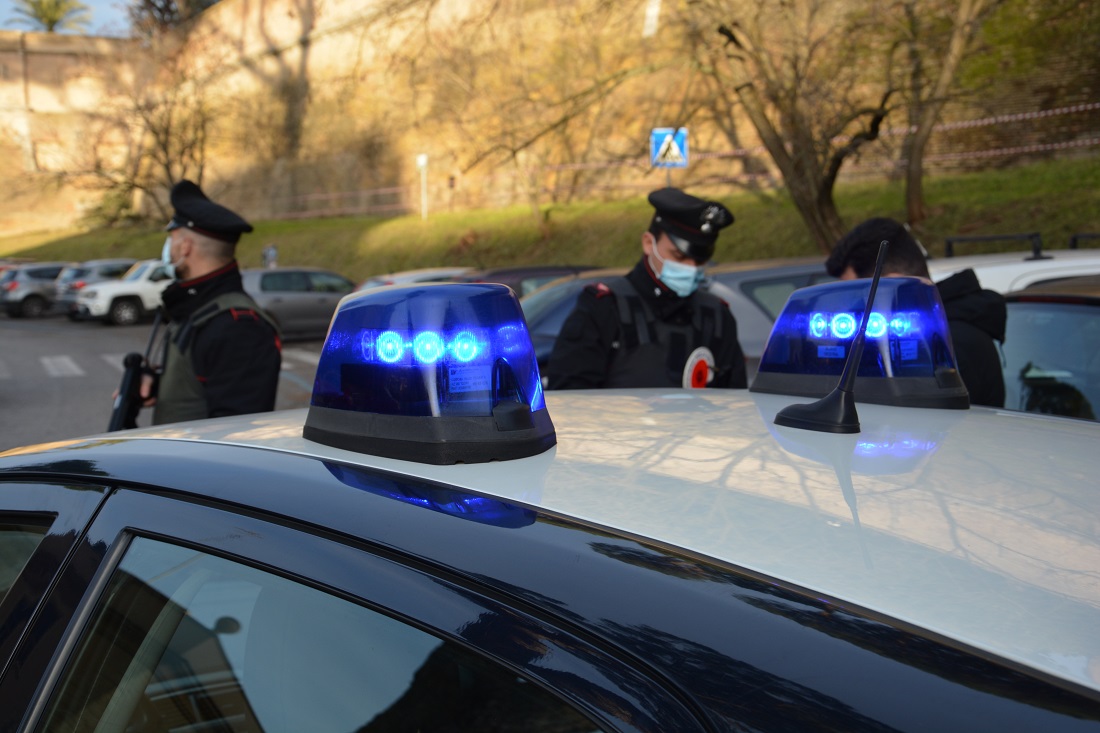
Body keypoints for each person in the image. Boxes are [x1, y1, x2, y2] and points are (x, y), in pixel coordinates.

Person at [545, 188, 747, 390]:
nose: (691, 268)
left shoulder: (717, 315)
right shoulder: (604, 308)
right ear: (649, 243)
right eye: (679, 256)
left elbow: (735, 402)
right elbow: (569, 397)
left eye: (700, 260)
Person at [824, 217, 1007, 408]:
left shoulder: (947, 344)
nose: (852, 311)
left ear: (895, 284)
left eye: (859, 294)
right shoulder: (939, 332)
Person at [141, 179, 282, 424]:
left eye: (172, 238)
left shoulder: (238, 327)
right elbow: (200, 389)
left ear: (185, 246)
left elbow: (234, 435)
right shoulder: (196, 309)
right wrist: (160, 386)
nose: (168, 247)